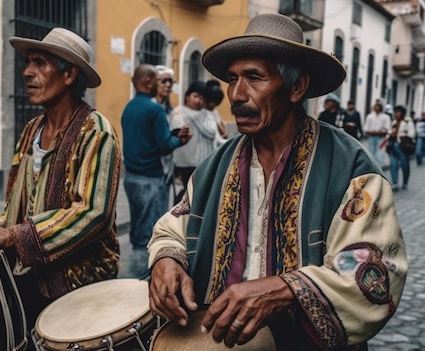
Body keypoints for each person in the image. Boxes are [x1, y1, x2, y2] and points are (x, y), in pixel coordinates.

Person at [147, 13, 407, 350]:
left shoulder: (351, 168)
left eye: (254, 77)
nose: (237, 94)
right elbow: (173, 225)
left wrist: (286, 289)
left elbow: (376, 271)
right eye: (232, 78)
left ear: (296, 87)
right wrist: (167, 259)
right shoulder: (214, 166)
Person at [0, 28, 122, 338]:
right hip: (30, 276)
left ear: (69, 74)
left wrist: (14, 236)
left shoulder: (96, 132)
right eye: (28, 63)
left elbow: (93, 214)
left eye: (40, 63)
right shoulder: (33, 129)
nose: (27, 72)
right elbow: (16, 199)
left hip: (79, 283)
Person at [121, 64, 192, 249]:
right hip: (151, 178)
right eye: (157, 80)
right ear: (147, 81)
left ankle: (135, 265)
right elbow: (165, 145)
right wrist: (181, 141)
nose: (160, 84)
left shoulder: (129, 107)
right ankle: (145, 274)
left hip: (130, 178)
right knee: (151, 233)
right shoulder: (155, 110)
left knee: (137, 228)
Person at [171, 81, 216, 203]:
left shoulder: (206, 113)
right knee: (186, 195)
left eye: (202, 98)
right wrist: (195, 118)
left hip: (203, 161)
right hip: (185, 163)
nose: (198, 101)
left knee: (200, 195)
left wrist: (193, 118)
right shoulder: (178, 112)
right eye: (195, 96)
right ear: (187, 96)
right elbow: (177, 132)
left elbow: (212, 132)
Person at [153, 65, 177, 203]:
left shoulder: (169, 109)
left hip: (167, 167)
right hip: (153, 167)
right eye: (163, 81)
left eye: (170, 82)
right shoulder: (150, 106)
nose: (168, 85)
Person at [387, 105, 416, 190]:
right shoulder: (394, 122)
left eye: (398, 112)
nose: (396, 114)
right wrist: (390, 134)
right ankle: (395, 183)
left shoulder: (407, 122)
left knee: (404, 165)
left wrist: (404, 136)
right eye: (395, 112)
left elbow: (412, 133)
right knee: (393, 164)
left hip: (403, 146)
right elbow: (389, 131)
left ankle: (405, 182)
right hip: (393, 146)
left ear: (402, 113)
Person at [364, 99, 392, 166]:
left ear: (381, 107)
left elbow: (387, 129)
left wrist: (381, 131)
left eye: (378, 106)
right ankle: (372, 168)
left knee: (380, 154)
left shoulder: (386, 117)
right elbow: (366, 128)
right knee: (371, 153)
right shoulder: (370, 116)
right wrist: (371, 131)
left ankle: (380, 168)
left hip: (381, 138)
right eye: (375, 106)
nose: (376, 107)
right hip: (371, 137)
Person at [205, 79, 229, 148]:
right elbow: (219, 138)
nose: (214, 106)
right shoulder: (204, 113)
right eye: (214, 103)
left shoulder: (213, 111)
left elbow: (223, 131)